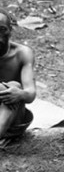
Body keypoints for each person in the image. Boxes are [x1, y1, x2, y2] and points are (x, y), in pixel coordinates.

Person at [0, 8, 36, 145]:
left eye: (2, 30)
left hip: (14, 121)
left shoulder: (22, 54)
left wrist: (19, 94)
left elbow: (30, 93)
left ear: (10, 31)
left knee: (15, 87)